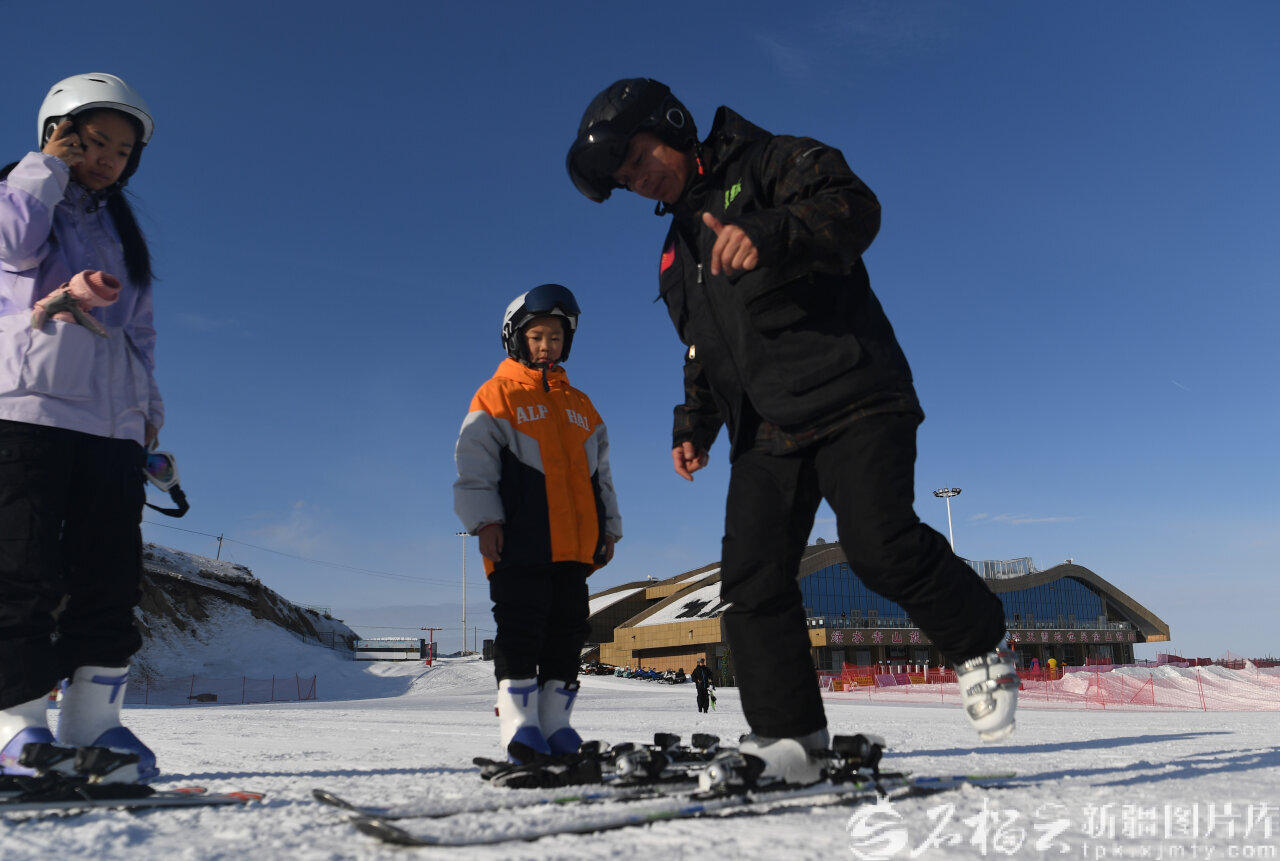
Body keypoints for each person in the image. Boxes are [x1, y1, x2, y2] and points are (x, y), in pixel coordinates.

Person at [566, 79, 1018, 785]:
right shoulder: (677, 251)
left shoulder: (769, 162)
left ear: (671, 124)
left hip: (853, 393)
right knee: (752, 580)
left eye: (637, 158)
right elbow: (703, 350)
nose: (636, 179)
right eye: (624, 178)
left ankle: (980, 642)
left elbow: (854, 205)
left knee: (879, 545)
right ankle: (792, 738)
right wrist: (695, 424)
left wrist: (769, 231)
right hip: (765, 429)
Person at [0, 73, 165, 780]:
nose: (107, 159)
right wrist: (42, 168)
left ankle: (96, 726)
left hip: (113, 427)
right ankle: (17, 728)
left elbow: (139, 330)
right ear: (54, 133)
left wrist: (148, 410)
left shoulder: (120, 231)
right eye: (94, 141)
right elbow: (12, 246)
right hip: (27, 411)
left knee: (109, 576)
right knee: (22, 570)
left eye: (122, 151)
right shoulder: (22, 192)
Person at [454, 284, 622, 763]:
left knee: (568, 634)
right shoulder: (495, 396)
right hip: (519, 542)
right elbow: (474, 467)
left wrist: (609, 528)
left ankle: (556, 725)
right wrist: (485, 521)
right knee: (521, 630)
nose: (546, 346)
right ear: (515, 339)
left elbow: (601, 476)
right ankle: (520, 727)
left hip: (574, 548)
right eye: (536, 337)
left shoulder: (583, 407)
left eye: (555, 337)